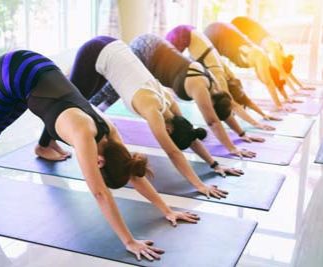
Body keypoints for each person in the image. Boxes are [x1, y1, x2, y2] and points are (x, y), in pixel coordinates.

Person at [0, 50, 199, 261]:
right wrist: (129, 241)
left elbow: (132, 170)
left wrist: (167, 210)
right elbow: (100, 193)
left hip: (35, 73)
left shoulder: (111, 133)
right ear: (100, 162)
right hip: (13, 70)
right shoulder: (84, 134)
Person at [37, 36, 238, 199]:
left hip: (114, 47)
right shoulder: (153, 112)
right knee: (67, 100)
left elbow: (190, 134)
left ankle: (51, 142)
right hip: (96, 52)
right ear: (168, 130)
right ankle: (43, 146)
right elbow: (174, 153)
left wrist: (214, 164)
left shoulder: (169, 101)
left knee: (85, 100)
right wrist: (199, 185)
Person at [126, 33, 263, 157]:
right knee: (111, 93)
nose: (209, 109)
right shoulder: (200, 87)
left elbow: (226, 110)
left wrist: (242, 134)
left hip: (155, 45)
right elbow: (212, 121)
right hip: (147, 50)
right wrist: (232, 148)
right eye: (212, 109)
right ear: (212, 104)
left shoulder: (215, 87)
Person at [166, 25, 281, 129]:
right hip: (185, 34)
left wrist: (264, 115)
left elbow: (246, 100)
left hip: (192, 32)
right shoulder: (219, 78)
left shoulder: (229, 74)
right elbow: (233, 104)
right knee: (169, 62)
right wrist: (256, 123)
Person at [204, 22, 299, 111]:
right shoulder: (261, 57)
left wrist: (286, 98)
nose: (263, 79)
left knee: (216, 74)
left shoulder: (260, 59)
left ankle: (222, 102)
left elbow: (273, 82)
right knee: (215, 74)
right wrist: (279, 105)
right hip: (217, 33)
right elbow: (269, 83)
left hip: (220, 33)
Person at [231, 16, 315, 93]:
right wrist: (296, 90)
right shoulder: (278, 53)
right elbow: (284, 75)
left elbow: (287, 73)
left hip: (256, 34)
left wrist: (301, 87)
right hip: (254, 33)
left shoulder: (281, 54)